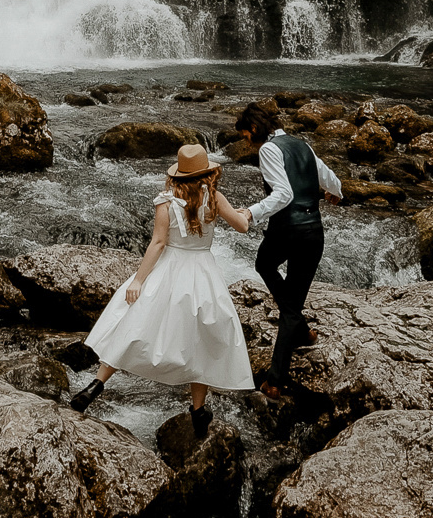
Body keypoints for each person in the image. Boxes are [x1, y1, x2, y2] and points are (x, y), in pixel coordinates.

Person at [71, 143, 255, 433]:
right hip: (202, 273)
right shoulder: (215, 198)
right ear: (206, 173)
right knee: (202, 338)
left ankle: (96, 385)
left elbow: (158, 243)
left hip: (168, 269)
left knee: (134, 323)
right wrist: (245, 213)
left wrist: (138, 281)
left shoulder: (165, 201)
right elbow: (242, 227)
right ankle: (197, 411)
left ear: (178, 175)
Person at [246, 124, 343, 394]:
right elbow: (332, 180)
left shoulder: (268, 148)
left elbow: (284, 194)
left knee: (269, 272)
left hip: (286, 231)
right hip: (314, 232)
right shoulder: (303, 145)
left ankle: (275, 381)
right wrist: (337, 193)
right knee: (273, 273)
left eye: (245, 136)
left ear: (254, 128)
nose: (247, 143)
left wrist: (251, 213)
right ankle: (302, 331)